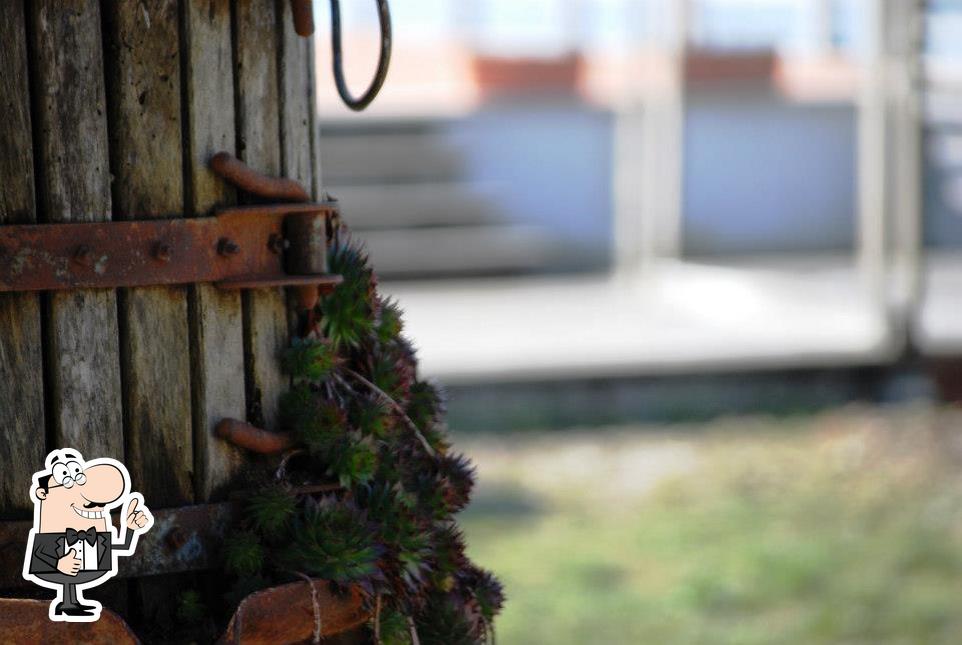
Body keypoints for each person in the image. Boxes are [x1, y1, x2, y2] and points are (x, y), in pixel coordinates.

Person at [22, 449, 152, 621]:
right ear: (43, 494)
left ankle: (72, 602)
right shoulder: (50, 535)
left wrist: (130, 527)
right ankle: (67, 603)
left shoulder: (95, 535)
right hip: (55, 572)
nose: (95, 506)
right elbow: (38, 555)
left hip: (88, 570)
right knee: (67, 577)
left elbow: (123, 547)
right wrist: (58, 563)